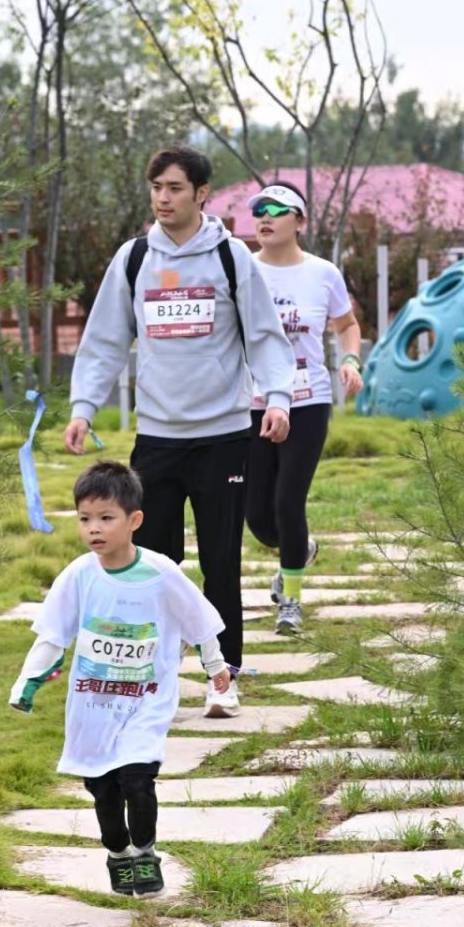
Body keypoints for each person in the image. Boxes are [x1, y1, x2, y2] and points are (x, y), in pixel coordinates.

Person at [63, 142, 296, 717]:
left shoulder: (231, 258)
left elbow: (265, 335)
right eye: (156, 188)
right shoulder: (135, 258)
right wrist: (83, 406)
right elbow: (104, 340)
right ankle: (154, 680)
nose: (163, 199)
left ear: (200, 194)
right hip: (158, 440)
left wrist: (279, 398)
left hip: (223, 437)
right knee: (152, 565)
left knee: (221, 564)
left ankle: (224, 680)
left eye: (174, 188)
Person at [9, 461, 230, 897]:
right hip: (93, 707)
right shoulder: (78, 576)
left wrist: (215, 664)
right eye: (85, 518)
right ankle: (117, 853)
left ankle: (145, 853)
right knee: (104, 792)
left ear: (134, 521)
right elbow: (52, 634)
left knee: (137, 779)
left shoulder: (161, 572)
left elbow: (199, 619)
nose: (94, 529)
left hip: (146, 700)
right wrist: (27, 683)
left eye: (106, 518)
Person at [243, 181, 363, 635]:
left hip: (307, 400)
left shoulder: (322, 273)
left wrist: (350, 359)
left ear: (301, 221)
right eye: (258, 209)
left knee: (288, 500)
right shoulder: (241, 269)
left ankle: (290, 600)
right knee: (257, 514)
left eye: (276, 209)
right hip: (251, 403)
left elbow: (347, 324)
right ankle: (300, 549)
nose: (264, 217)